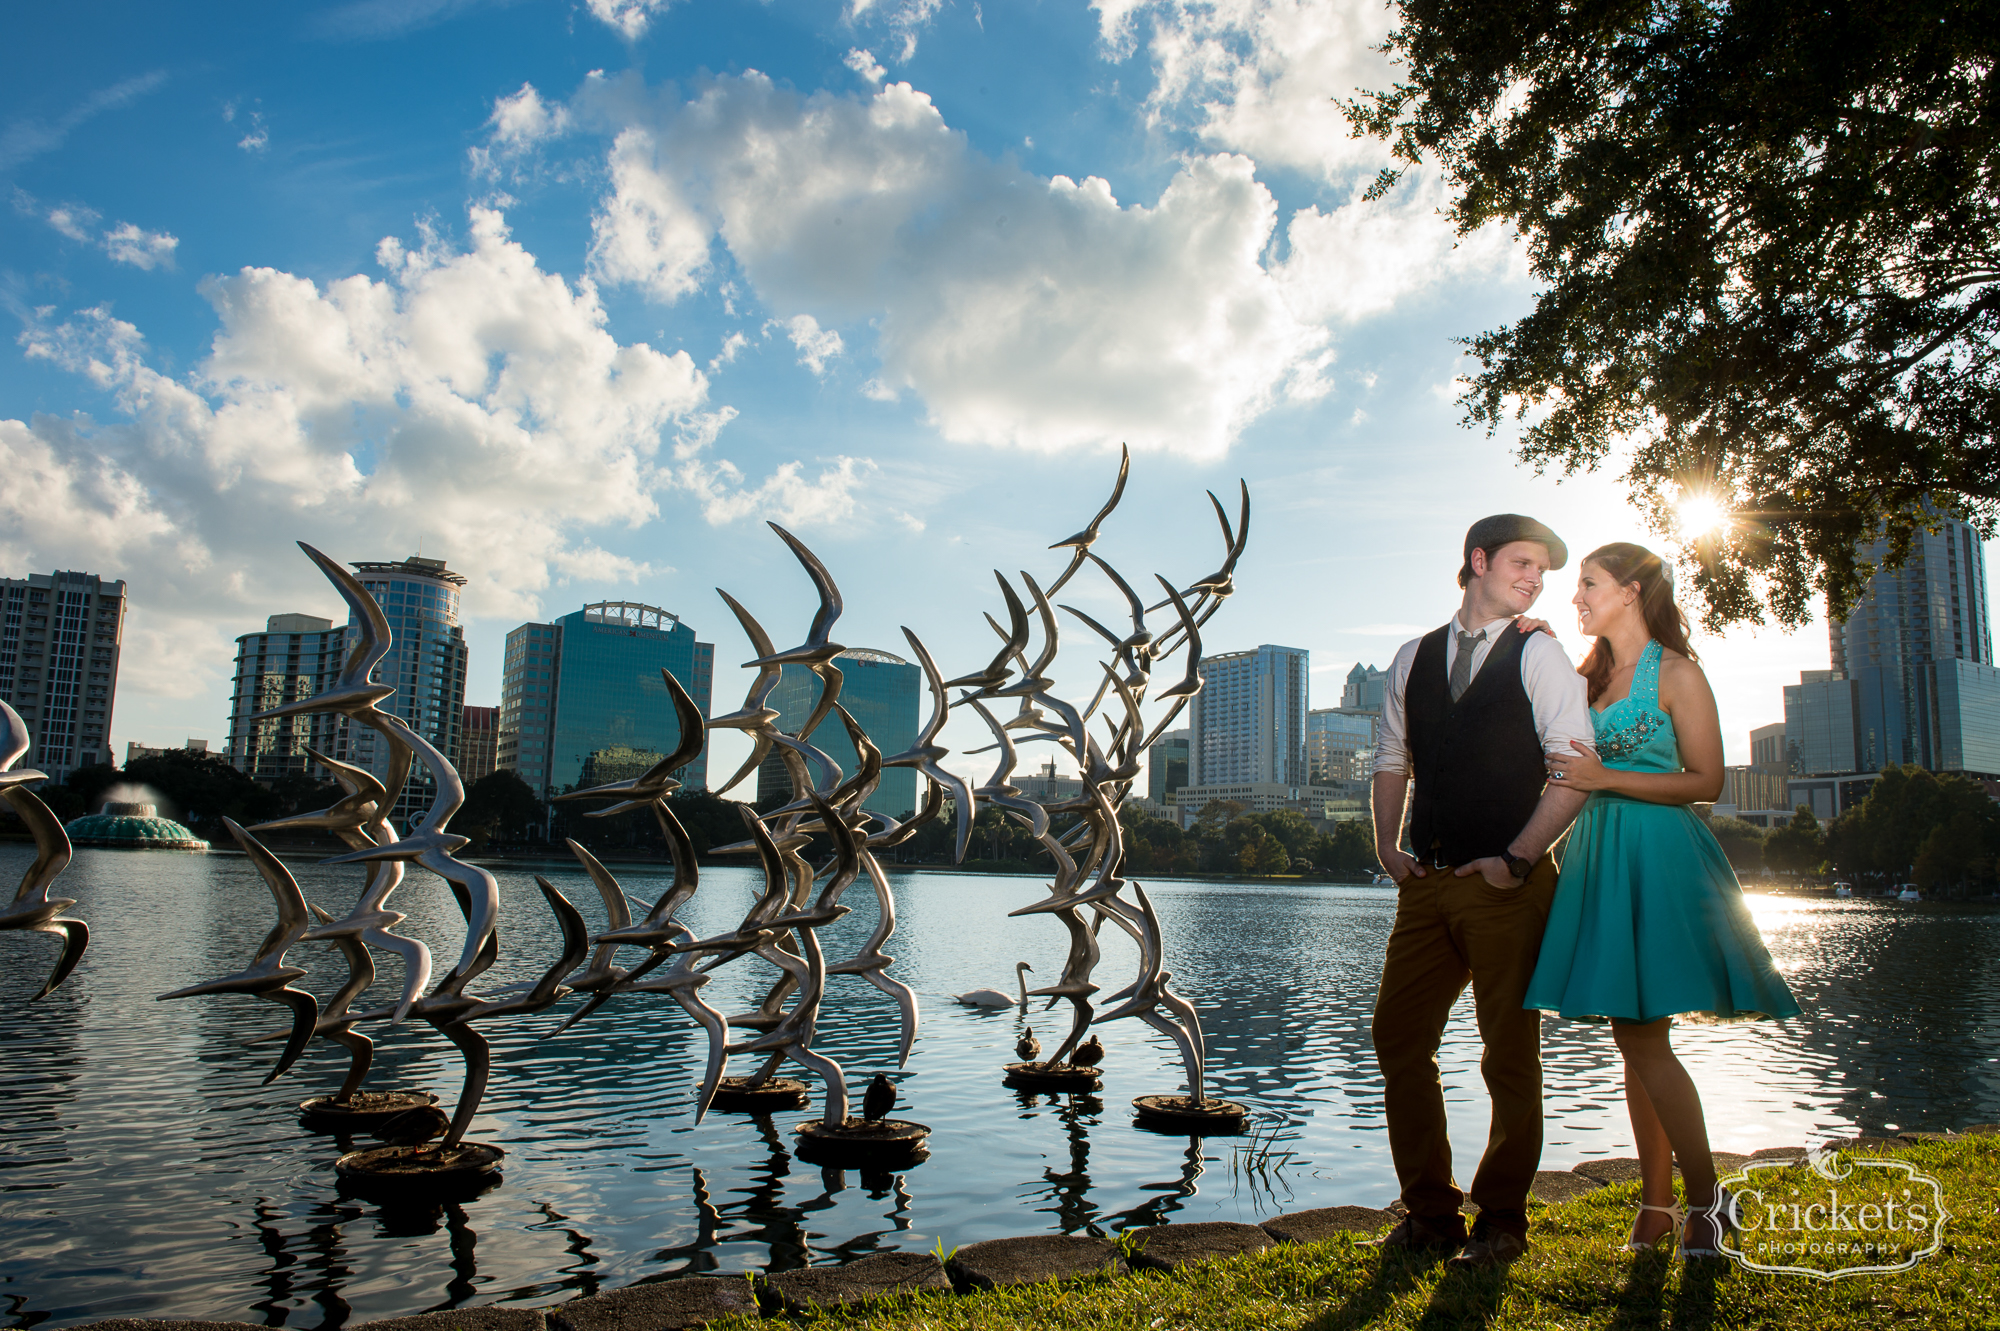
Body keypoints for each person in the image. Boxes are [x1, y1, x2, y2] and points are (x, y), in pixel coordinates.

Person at [1526, 542, 1800, 1257]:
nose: (1576, 596)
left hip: (1660, 858)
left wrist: (1604, 777)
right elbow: (1565, 772)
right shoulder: (1588, 678)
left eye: (1588, 584)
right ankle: (1656, 1206)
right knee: (1634, 1036)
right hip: (1599, 858)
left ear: (1633, 589)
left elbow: (1706, 780)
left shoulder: (1677, 673)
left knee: (1642, 1036)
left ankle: (1708, 1203)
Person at [1370, 514, 1594, 1268]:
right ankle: (1431, 1213)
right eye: (1523, 562)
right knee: (1399, 1039)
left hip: (1507, 888)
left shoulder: (1540, 653)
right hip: (1426, 886)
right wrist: (1385, 845)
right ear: (1478, 560)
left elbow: (1575, 767)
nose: (1535, 578)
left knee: (1508, 1056)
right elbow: (1391, 757)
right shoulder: (1413, 656)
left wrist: (1518, 858)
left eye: (1543, 570)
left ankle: (1502, 1219)